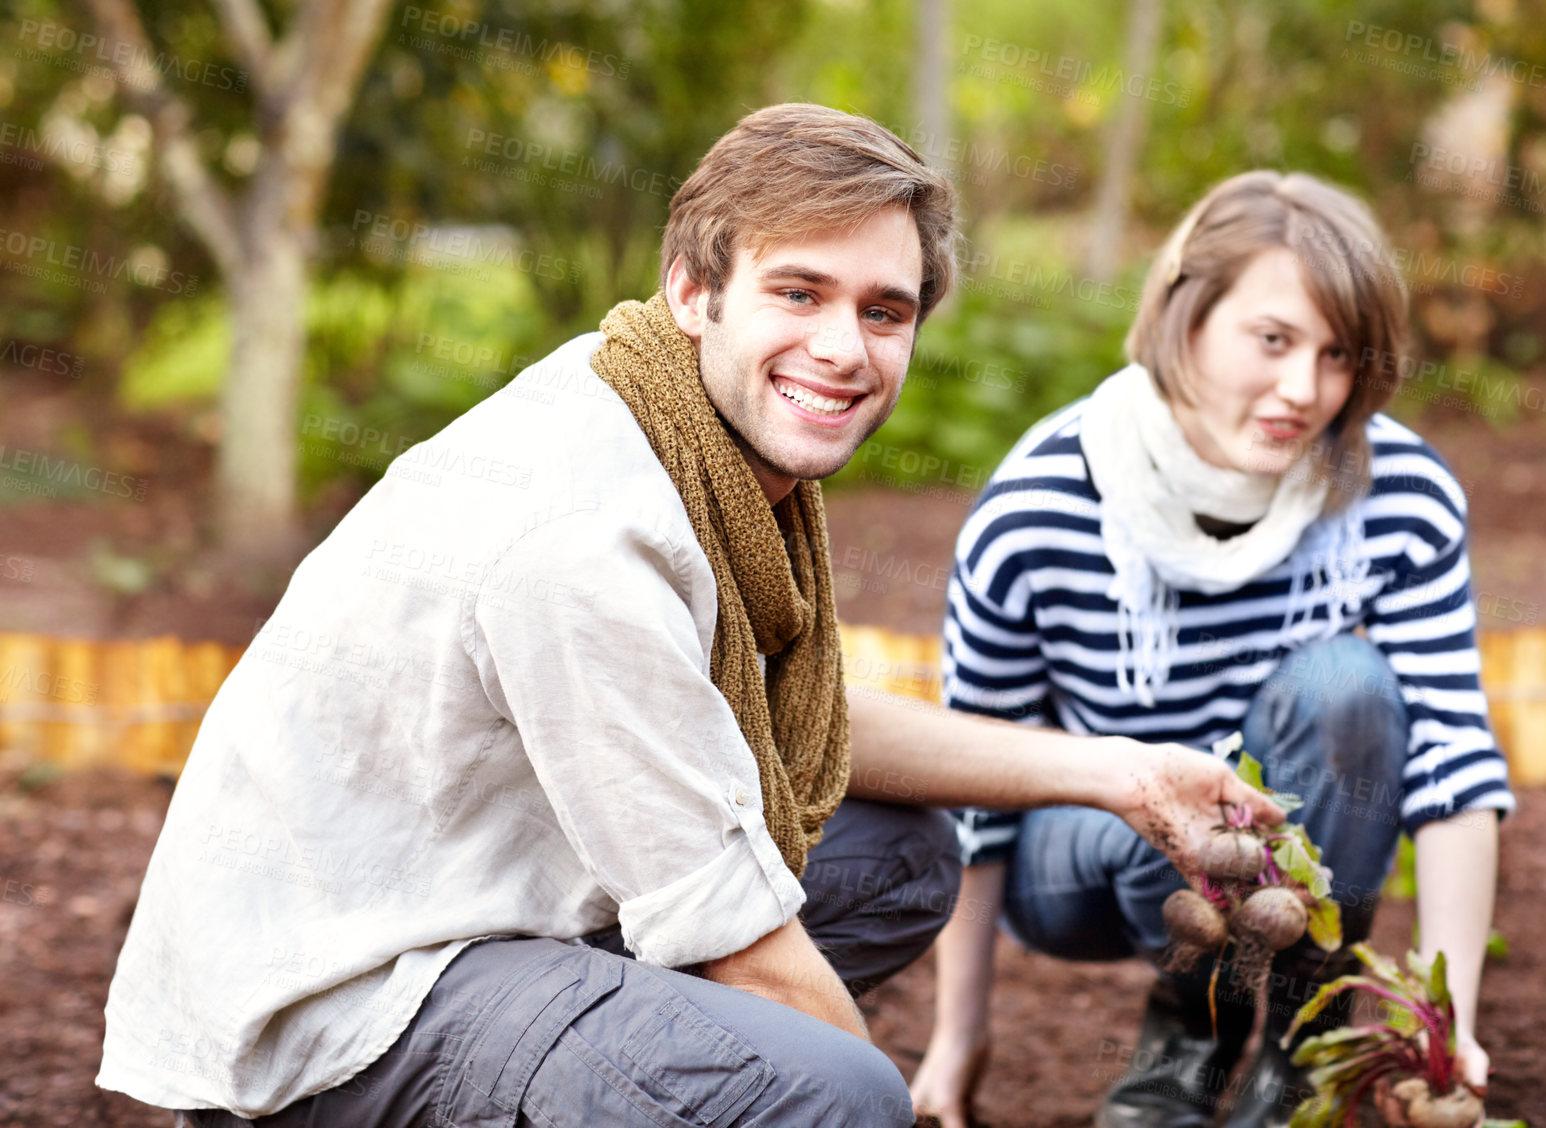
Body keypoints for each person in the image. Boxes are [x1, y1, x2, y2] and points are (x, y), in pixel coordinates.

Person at [96, 105, 1282, 1128]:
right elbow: (747, 952)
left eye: (884, 310)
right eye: (798, 292)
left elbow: (790, 719)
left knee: (901, 852)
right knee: (836, 1094)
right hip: (337, 1014)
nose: (841, 347)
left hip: (471, 902)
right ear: (693, 289)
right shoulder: (584, 535)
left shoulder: (666, 412)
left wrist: (1120, 774)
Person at [909, 171, 1514, 1128]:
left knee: (1350, 689)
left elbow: (1452, 767)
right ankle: (1189, 1039)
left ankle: (1305, 1055)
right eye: (1272, 340)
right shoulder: (1040, 506)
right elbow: (978, 791)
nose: (1304, 391)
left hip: (1284, 852)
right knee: (1182, 810)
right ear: (1186, 314)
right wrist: (958, 1035)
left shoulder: (1399, 494)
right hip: (1091, 851)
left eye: (1338, 354)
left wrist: (1442, 1028)